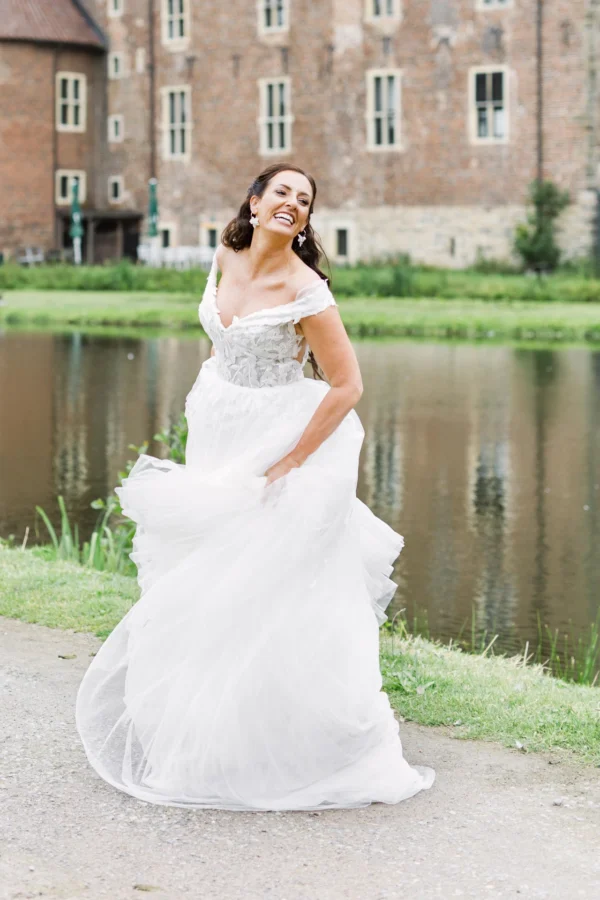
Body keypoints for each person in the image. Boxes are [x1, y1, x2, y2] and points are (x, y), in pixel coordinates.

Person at [75, 163, 435, 811]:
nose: (292, 204)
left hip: (279, 443)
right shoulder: (226, 252)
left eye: (304, 199)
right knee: (198, 576)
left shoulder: (308, 292)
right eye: (282, 193)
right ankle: (196, 736)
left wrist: (291, 461)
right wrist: (208, 398)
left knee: (259, 585)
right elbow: (221, 340)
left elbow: (348, 387)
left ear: (305, 220)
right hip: (219, 430)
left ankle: (278, 746)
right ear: (254, 200)